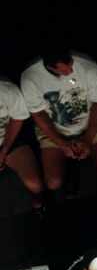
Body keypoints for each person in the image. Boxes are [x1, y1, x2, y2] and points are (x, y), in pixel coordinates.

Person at [20, 48, 97, 200]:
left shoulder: (87, 66)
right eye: (65, 70)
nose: (71, 71)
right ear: (51, 67)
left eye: (71, 65)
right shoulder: (30, 76)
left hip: (90, 123)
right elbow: (38, 114)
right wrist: (61, 143)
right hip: (55, 129)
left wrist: (87, 139)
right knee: (53, 182)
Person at [0, 75, 45, 212]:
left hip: (10, 140)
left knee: (35, 184)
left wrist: (4, 150)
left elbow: (17, 119)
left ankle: (39, 204)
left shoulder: (6, 90)